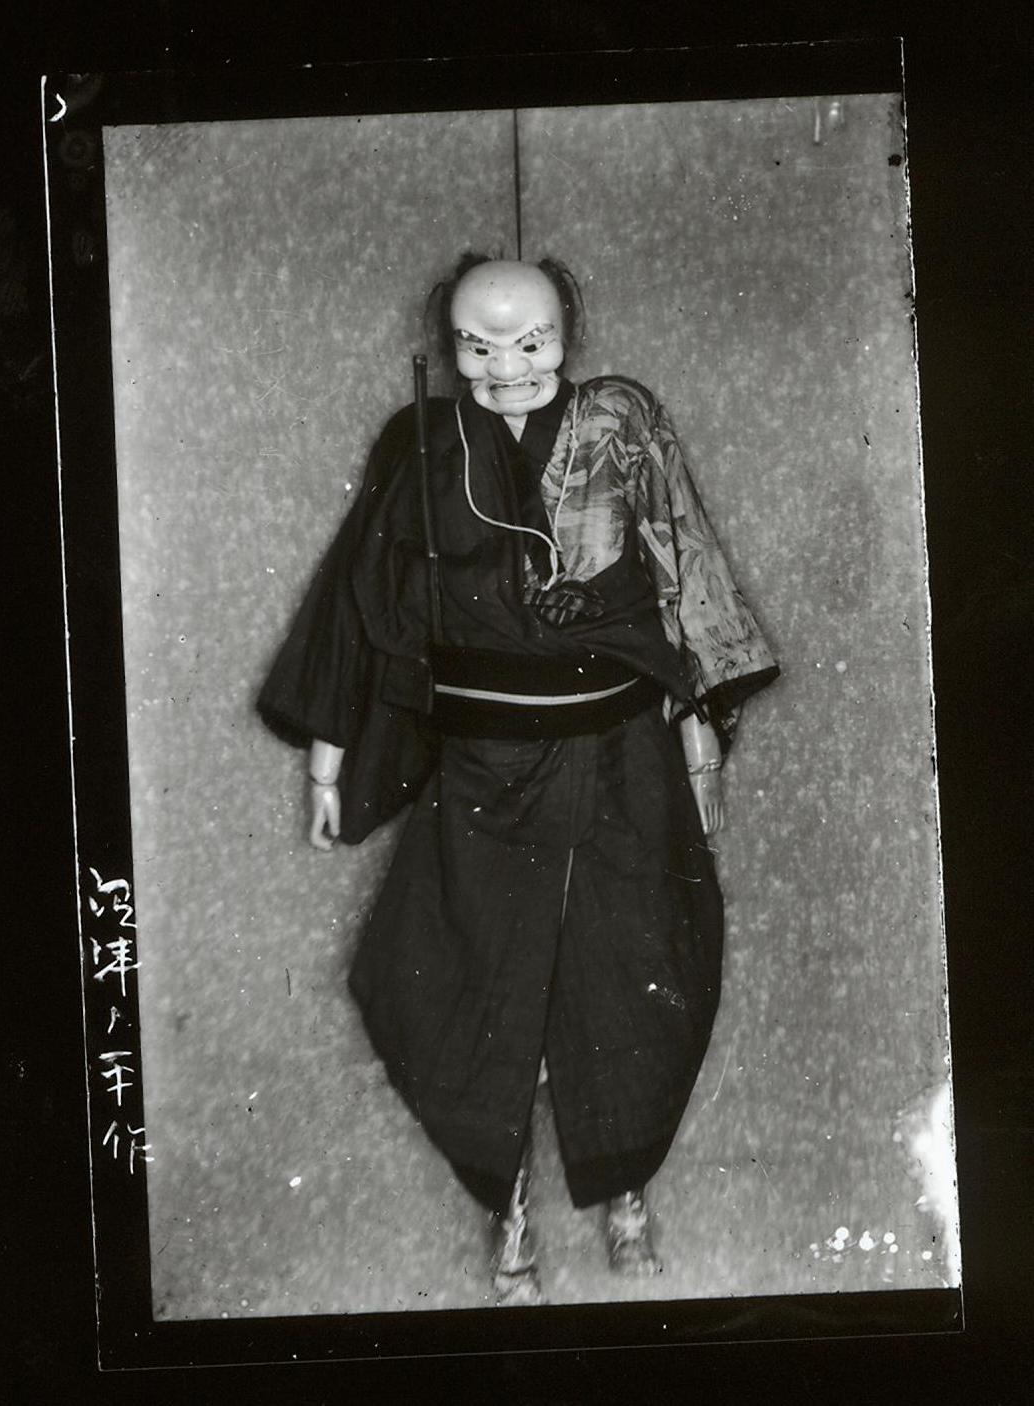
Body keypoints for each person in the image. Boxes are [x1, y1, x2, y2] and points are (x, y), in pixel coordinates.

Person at [258, 254, 778, 1305]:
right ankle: (508, 1206)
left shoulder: (621, 424)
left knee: (638, 968)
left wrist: (698, 737)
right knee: (457, 978)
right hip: (484, 765)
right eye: (476, 345)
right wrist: (327, 751)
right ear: (447, 346)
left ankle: (623, 1188)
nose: (504, 367)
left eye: (530, 342)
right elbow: (362, 592)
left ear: (566, 335)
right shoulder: (419, 441)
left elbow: (682, 568)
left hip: (620, 757)